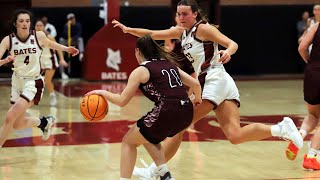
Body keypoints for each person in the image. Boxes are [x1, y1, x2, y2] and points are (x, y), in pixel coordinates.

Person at [112, 0, 303, 178]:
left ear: (195, 14)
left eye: (185, 14)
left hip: (214, 79)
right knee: (235, 135)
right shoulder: (182, 32)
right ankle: (281, 129)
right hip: (220, 82)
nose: (181, 18)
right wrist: (128, 29)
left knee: (180, 124)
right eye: (178, 14)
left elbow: (232, 43)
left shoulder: (203, 29)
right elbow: (152, 34)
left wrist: (228, 51)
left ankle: (155, 171)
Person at [85, 34, 202, 180]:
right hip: (186, 112)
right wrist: (197, 99)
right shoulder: (169, 64)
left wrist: (102, 92)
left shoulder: (141, 70)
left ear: (138, 51)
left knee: (128, 141)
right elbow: (196, 84)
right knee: (146, 135)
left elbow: (122, 101)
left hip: (167, 109)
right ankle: (164, 174)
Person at [0, 9, 79, 148]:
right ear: (15, 23)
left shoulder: (39, 36)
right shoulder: (8, 40)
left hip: (33, 82)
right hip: (17, 81)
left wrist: (67, 49)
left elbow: (51, 44)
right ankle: (44, 123)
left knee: (9, 117)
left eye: (27, 21)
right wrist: (5, 60)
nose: (25, 24)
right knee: (18, 124)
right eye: (21, 21)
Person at [285, 22, 320, 170]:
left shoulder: (317, 25)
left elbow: (301, 48)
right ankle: (312, 157)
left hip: (312, 72)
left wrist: (311, 63)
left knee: (313, 114)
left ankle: (299, 135)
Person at [34, 19, 68, 106]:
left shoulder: (49, 37)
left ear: (44, 27)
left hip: (50, 61)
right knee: (33, 80)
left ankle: (52, 95)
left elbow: (58, 48)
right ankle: (32, 98)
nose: (38, 27)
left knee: (47, 80)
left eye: (40, 25)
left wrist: (62, 59)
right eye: (37, 26)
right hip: (39, 62)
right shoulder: (32, 38)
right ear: (34, 27)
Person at [59, 13, 84, 79]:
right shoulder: (66, 26)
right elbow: (64, 35)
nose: (72, 20)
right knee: (61, 40)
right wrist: (67, 28)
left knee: (80, 39)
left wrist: (72, 38)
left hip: (73, 40)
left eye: (73, 18)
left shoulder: (78, 25)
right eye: (70, 19)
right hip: (66, 40)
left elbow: (79, 34)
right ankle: (62, 73)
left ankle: (81, 53)